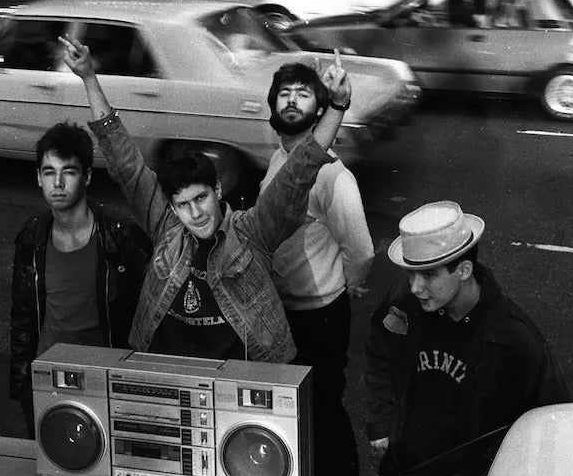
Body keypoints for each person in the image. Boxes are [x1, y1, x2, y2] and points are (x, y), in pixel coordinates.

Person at [58, 34, 353, 365]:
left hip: (238, 378)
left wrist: (338, 105)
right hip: (171, 373)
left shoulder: (252, 232)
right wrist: (89, 77)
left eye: (201, 198)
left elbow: (301, 168)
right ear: (172, 208)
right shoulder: (167, 228)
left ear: (218, 191)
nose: (195, 213)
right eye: (183, 205)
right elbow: (124, 160)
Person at [366, 200, 570, 476]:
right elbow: (380, 351)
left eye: (429, 274)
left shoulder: (514, 338)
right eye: (411, 273)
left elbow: (553, 420)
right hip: (406, 474)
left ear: (463, 270)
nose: (415, 287)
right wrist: (380, 422)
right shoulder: (405, 302)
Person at [259, 63, 373, 476]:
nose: (292, 100)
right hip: (281, 311)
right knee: (291, 410)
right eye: (284, 92)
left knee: (323, 409)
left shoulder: (332, 175)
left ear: (321, 109)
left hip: (320, 315)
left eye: (303, 93)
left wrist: (347, 283)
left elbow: (360, 249)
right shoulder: (279, 157)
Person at [9, 122, 151, 437]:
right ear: (38, 177)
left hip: (104, 380)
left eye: (69, 172)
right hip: (48, 378)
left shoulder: (121, 237)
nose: (58, 183)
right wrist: (23, 386)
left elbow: (147, 319)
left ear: (87, 176)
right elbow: (22, 317)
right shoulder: (32, 237)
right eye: (49, 172)